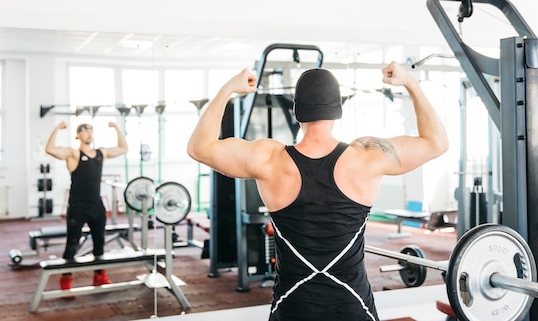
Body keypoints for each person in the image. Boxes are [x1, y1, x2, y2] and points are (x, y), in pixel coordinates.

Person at [187, 62, 448, 321]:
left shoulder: (269, 159)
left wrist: (228, 89)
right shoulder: (368, 156)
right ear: (338, 111)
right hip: (353, 308)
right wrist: (410, 83)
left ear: (295, 111)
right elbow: (436, 142)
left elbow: (199, 148)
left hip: (292, 310)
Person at [45, 121, 128, 293]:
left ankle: (99, 276)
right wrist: (56, 129)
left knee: (99, 243)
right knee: (72, 244)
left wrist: (117, 128)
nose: (89, 133)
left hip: (97, 205)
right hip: (78, 206)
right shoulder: (73, 154)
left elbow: (123, 148)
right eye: (84, 130)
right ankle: (65, 279)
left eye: (91, 129)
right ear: (78, 135)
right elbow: (50, 149)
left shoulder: (100, 153)